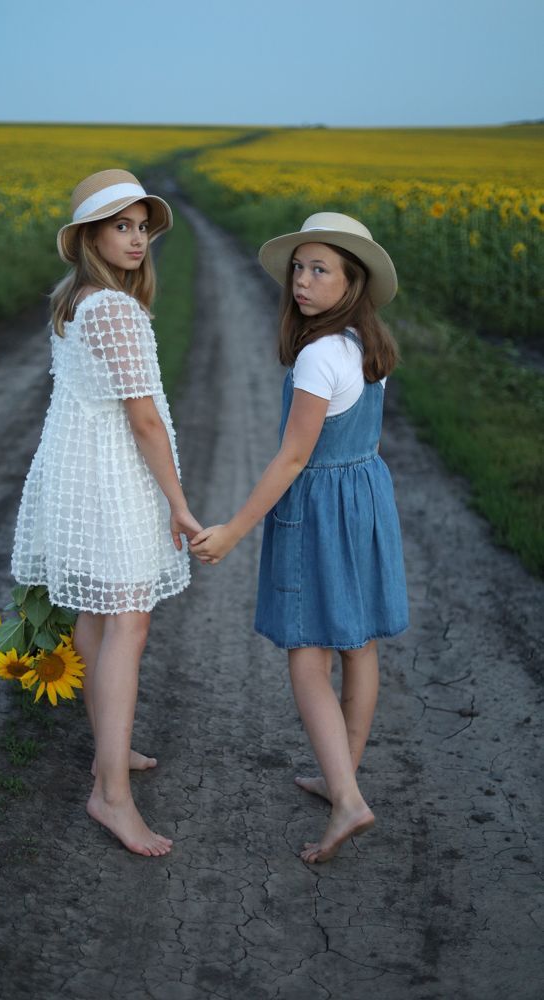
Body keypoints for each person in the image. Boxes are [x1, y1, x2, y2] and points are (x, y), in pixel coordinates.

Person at [191, 213, 408, 864]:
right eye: (299, 267)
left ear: (352, 281)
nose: (303, 280)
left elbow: (291, 461)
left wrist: (232, 530)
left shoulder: (318, 356)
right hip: (366, 498)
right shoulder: (368, 347)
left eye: (321, 269)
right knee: (359, 644)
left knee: (308, 654)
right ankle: (341, 776)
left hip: (317, 509)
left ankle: (346, 797)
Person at [11, 169, 201, 857]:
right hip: (110, 477)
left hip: (77, 473)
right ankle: (112, 796)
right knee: (129, 620)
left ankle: (108, 756)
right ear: (89, 236)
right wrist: (178, 504)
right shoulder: (115, 309)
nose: (137, 240)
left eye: (142, 227)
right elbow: (144, 419)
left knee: (100, 616)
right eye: (121, 226)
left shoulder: (77, 301)